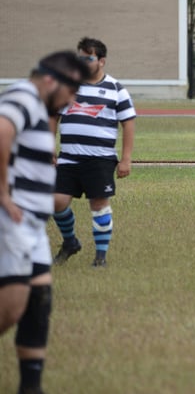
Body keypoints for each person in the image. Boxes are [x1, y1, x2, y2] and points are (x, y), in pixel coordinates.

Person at [0, 51, 89, 394]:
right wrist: (4, 195)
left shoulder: (37, 106)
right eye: (72, 90)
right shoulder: (22, 96)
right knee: (10, 308)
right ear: (53, 79)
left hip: (33, 226)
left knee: (38, 305)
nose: (73, 100)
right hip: (13, 222)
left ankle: (30, 386)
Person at [51, 37, 136, 268]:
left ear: (101, 61)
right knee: (55, 202)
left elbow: (128, 123)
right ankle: (70, 243)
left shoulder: (116, 89)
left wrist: (126, 159)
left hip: (99, 159)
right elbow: (53, 117)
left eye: (87, 58)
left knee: (98, 204)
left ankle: (101, 257)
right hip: (68, 158)